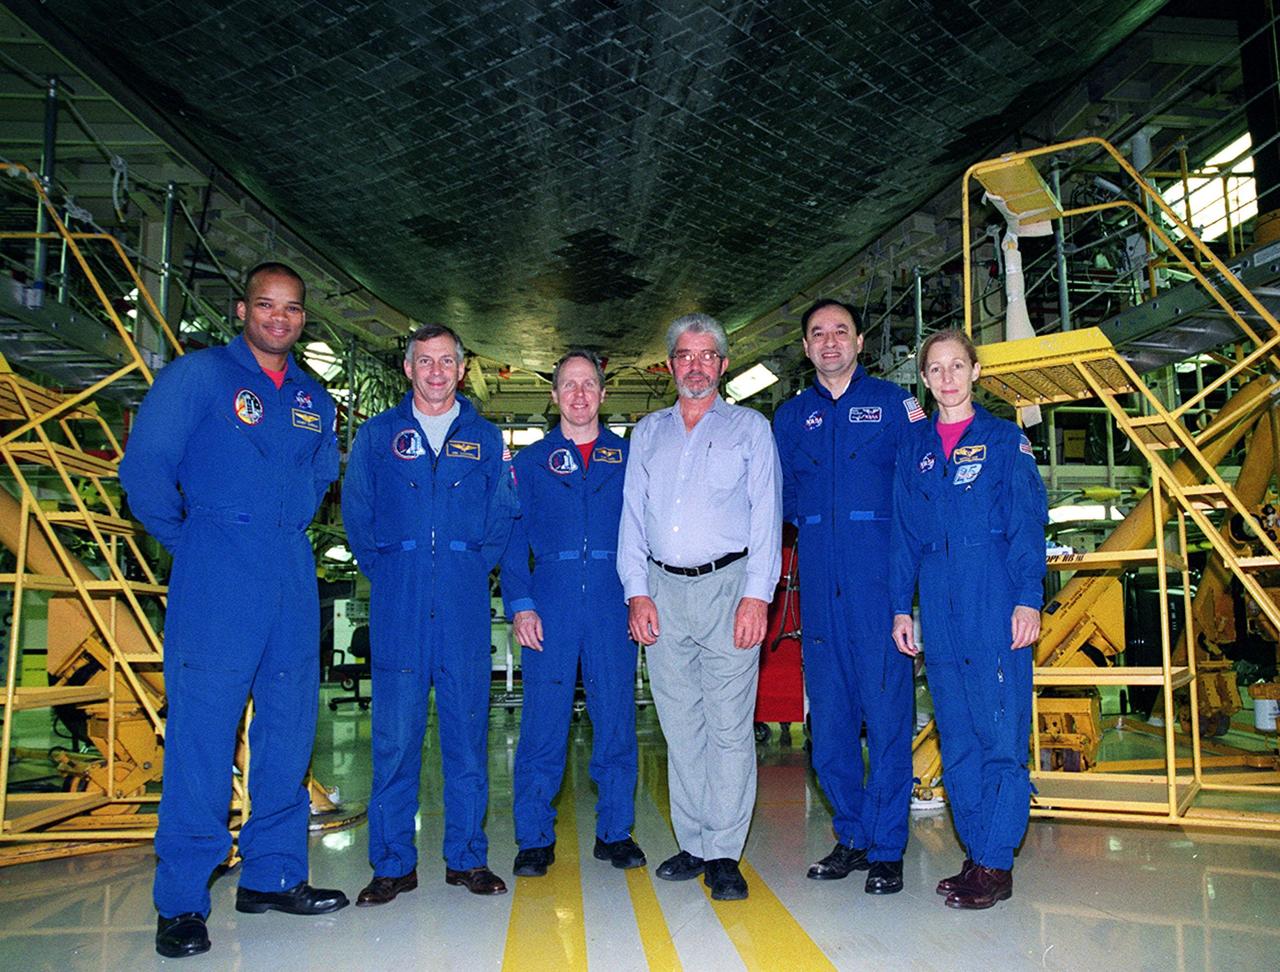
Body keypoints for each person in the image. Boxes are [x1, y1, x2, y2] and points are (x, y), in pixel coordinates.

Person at [120, 262, 346, 959]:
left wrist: (279, 529)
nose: (279, 317)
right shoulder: (197, 378)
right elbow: (144, 471)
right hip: (216, 568)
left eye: (292, 308)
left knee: (289, 728)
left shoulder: (313, 398)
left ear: (303, 318)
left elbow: (321, 472)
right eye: (266, 305)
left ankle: (272, 875)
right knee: (203, 737)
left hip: (289, 569)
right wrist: (193, 542)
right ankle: (183, 900)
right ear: (243, 310)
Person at [342, 323, 518, 904]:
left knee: (467, 737)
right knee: (395, 739)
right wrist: (392, 570)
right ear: (408, 368)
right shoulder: (377, 436)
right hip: (400, 602)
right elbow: (357, 514)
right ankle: (393, 863)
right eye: (425, 361)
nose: (436, 371)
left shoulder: (486, 438)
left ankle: (467, 858)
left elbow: (501, 517)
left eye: (447, 361)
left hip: (464, 604)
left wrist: (468, 567)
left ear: (462, 370)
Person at [618, 313, 781, 901]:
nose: (695, 365)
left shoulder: (750, 429)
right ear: (670, 366)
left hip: (728, 588)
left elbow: (766, 517)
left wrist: (757, 595)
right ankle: (693, 842)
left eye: (706, 355)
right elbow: (632, 518)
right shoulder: (648, 433)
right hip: (662, 591)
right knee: (680, 724)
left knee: (729, 726)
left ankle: (724, 851)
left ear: (723, 364)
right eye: (684, 355)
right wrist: (636, 591)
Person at [772, 298, 926, 894]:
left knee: (887, 720)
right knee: (830, 725)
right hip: (819, 588)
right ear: (805, 348)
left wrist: (911, 593)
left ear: (860, 343)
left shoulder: (895, 405)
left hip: (878, 589)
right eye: (818, 333)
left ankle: (887, 846)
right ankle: (852, 835)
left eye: (841, 331)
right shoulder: (790, 417)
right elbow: (781, 496)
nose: (830, 341)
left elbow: (918, 489)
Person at [890, 328, 1047, 910]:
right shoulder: (915, 449)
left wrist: (1028, 597)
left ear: (976, 372)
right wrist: (900, 607)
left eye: (958, 365)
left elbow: (1028, 524)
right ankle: (980, 851)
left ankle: (995, 860)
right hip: (938, 600)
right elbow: (903, 536)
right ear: (924, 379)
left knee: (1000, 734)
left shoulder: (1005, 441)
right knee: (956, 736)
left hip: (993, 595)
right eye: (936, 369)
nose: (948, 377)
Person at [501, 350, 644, 877]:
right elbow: (512, 540)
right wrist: (521, 605)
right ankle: (534, 837)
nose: (579, 395)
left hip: (612, 600)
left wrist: (641, 596)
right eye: (569, 385)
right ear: (554, 395)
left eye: (588, 385)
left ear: (603, 394)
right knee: (543, 723)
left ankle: (615, 831)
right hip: (551, 602)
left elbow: (647, 533)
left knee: (616, 721)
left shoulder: (630, 459)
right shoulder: (529, 463)